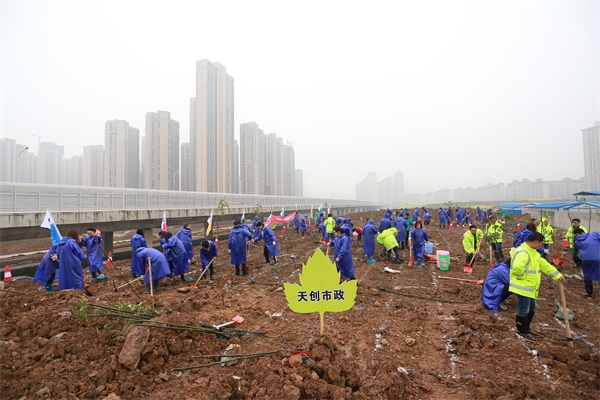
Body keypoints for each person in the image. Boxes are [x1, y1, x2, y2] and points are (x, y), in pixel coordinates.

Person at [509, 232, 564, 341]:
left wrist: (556, 274)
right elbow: (517, 268)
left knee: (532, 309)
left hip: (530, 287)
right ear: (535, 242)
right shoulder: (523, 252)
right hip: (523, 287)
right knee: (523, 309)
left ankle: (526, 328)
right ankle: (521, 331)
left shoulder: (533, 252)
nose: (541, 246)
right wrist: (523, 278)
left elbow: (544, 264)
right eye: (541, 243)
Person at [574, 228, 599, 297]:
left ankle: (589, 293)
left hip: (587, 259)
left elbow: (578, 251)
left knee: (587, 275)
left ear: (577, 234)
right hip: (598, 258)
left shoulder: (577, 241)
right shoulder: (594, 235)